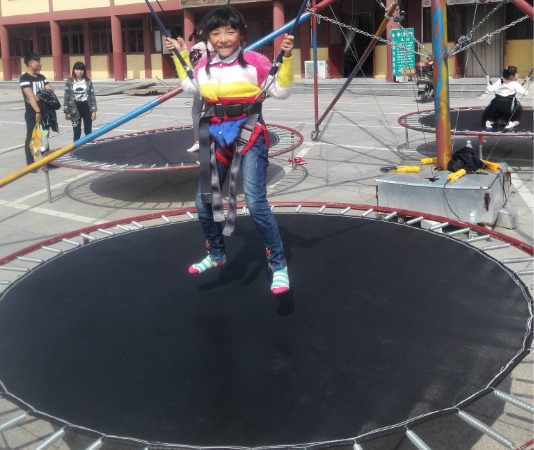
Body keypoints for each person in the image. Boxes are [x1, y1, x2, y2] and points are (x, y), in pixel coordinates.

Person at [165, 6, 295, 295]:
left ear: (240, 34)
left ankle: (279, 264)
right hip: (217, 135)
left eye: (230, 31)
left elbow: (281, 90)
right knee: (203, 202)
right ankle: (217, 253)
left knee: (255, 202)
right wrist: (180, 55)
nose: (223, 38)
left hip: (249, 134)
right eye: (216, 33)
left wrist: (286, 58)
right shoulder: (205, 66)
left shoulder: (254, 62)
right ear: (209, 37)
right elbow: (190, 85)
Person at [19, 53, 54, 169]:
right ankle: (30, 163)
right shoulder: (24, 78)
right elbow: (30, 96)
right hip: (32, 113)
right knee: (32, 137)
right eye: (37, 61)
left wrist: (37, 96)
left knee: (45, 135)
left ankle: (47, 161)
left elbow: (50, 89)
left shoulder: (41, 77)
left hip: (45, 112)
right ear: (30, 63)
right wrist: (37, 111)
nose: (40, 64)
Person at [186, 29, 213, 153]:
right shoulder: (214, 46)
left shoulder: (196, 49)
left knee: (196, 111)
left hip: (201, 83)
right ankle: (211, 138)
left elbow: (193, 66)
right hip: (214, 83)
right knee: (209, 111)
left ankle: (198, 141)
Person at [482, 66, 530, 130]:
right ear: (511, 76)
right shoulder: (515, 84)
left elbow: (489, 89)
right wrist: (527, 82)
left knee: (496, 117)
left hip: (497, 106)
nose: (518, 75)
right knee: (517, 120)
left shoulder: (500, 81)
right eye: (517, 74)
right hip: (509, 107)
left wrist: (487, 80)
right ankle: (512, 123)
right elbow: (525, 93)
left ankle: (490, 122)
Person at [63, 61, 97, 141]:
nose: (79, 72)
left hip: (86, 107)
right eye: (77, 69)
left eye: (81, 70)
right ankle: (76, 149)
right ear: (74, 70)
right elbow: (66, 96)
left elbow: (92, 96)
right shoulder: (69, 82)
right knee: (76, 131)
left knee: (88, 130)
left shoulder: (88, 81)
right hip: (74, 108)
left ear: (84, 71)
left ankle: (89, 147)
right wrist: (67, 111)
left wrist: (93, 110)